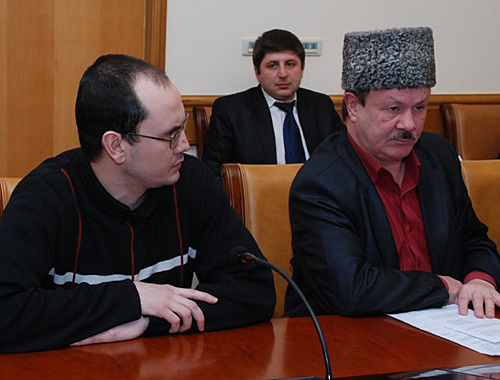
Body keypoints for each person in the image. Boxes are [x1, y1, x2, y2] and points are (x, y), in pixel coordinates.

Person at [0, 54, 275, 353]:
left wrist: (147, 320)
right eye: (171, 135)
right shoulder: (45, 197)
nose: (185, 145)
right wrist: (131, 298)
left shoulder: (192, 182)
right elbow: (7, 312)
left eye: (182, 128)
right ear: (116, 146)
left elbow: (255, 290)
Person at [284, 27, 500, 319]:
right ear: (352, 106)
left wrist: (479, 279)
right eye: (393, 109)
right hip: (351, 341)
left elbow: (475, 240)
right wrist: (440, 287)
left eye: (420, 107)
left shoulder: (438, 155)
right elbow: (351, 288)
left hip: (447, 331)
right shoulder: (320, 183)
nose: (409, 124)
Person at [202, 29, 344, 177]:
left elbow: (342, 161)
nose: (283, 74)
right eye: (272, 66)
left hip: (318, 197)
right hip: (260, 198)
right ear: (257, 73)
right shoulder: (231, 111)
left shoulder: (321, 106)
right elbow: (215, 173)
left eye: (290, 64)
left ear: (302, 68)